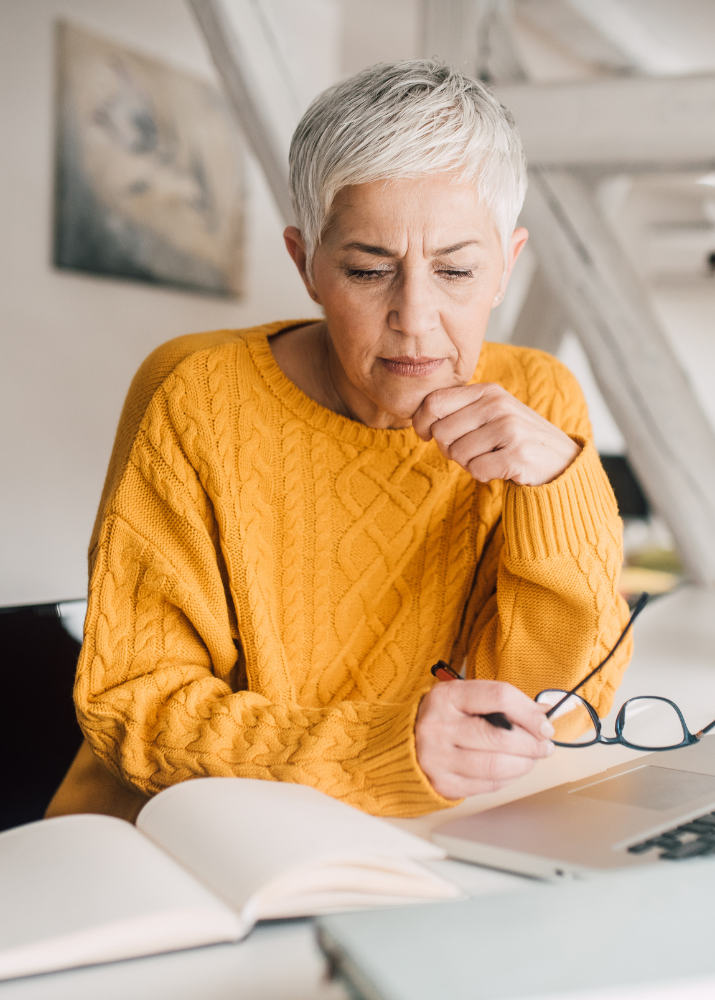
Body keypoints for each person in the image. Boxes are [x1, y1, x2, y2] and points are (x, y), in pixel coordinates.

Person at [47, 60, 631, 822]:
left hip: (420, 836)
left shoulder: (541, 398)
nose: (415, 317)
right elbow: (135, 705)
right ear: (306, 264)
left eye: (456, 269)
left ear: (506, 268)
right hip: (178, 836)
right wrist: (375, 748)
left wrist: (562, 490)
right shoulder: (193, 396)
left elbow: (554, 705)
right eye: (367, 269)